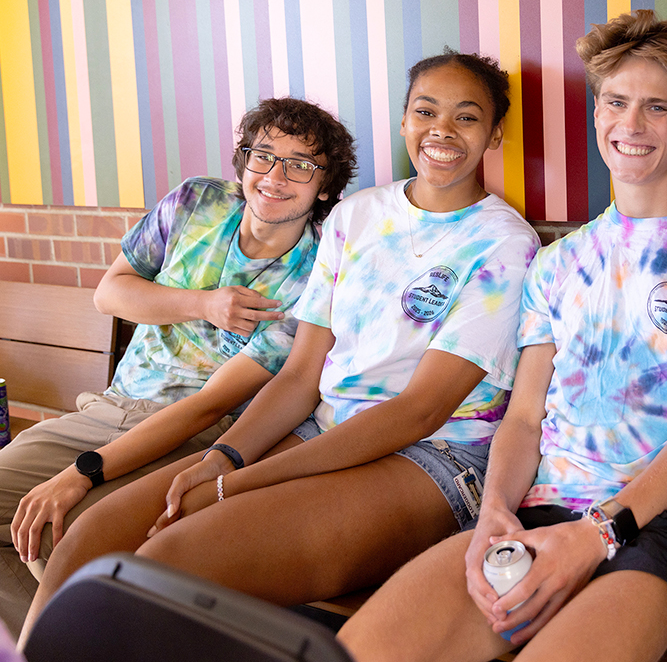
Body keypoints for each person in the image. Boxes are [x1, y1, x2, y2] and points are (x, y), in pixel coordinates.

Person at [19, 50, 539, 639]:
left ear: (494, 133)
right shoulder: (357, 215)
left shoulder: (503, 245)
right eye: (426, 111)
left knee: (164, 562)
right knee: (94, 536)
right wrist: (224, 458)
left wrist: (237, 481)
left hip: (434, 456)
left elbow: (420, 411)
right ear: (404, 122)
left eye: (466, 118)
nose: (441, 130)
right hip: (324, 428)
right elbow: (299, 377)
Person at [338, 10, 667, 662]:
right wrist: (494, 510)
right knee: (362, 653)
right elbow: (523, 418)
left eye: (657, 107)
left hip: (666, 527)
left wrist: (596, 536)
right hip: (540, 511)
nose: (630, 125)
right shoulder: (558, 262)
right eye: (615, 102)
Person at [0, 97, 354, 636]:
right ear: (243, 161)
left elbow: (208, 406)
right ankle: (37, 642)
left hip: (194, 437)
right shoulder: (197, 202)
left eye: (301, 165)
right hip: (110, 408)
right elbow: (109, 293)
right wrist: (205, 303)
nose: (276, 176)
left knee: (57, 528)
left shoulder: (316, 271)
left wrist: (84, 472)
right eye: (264, 155)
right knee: (22, 518)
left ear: (325, 186)